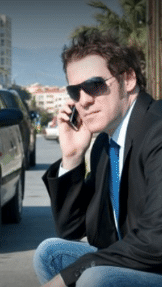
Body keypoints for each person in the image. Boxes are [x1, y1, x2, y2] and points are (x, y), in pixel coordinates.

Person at [33, 30, 162, 286]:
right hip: (140, 259)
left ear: (128, 79)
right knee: (51, 253)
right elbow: (73, 229)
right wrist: (72, 157)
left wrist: (68, 278)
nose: (84, 100)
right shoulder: (106, 143)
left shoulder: (156, 129)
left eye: (94, 85)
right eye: (75, 91)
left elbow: (156, 239)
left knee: (95, 277)